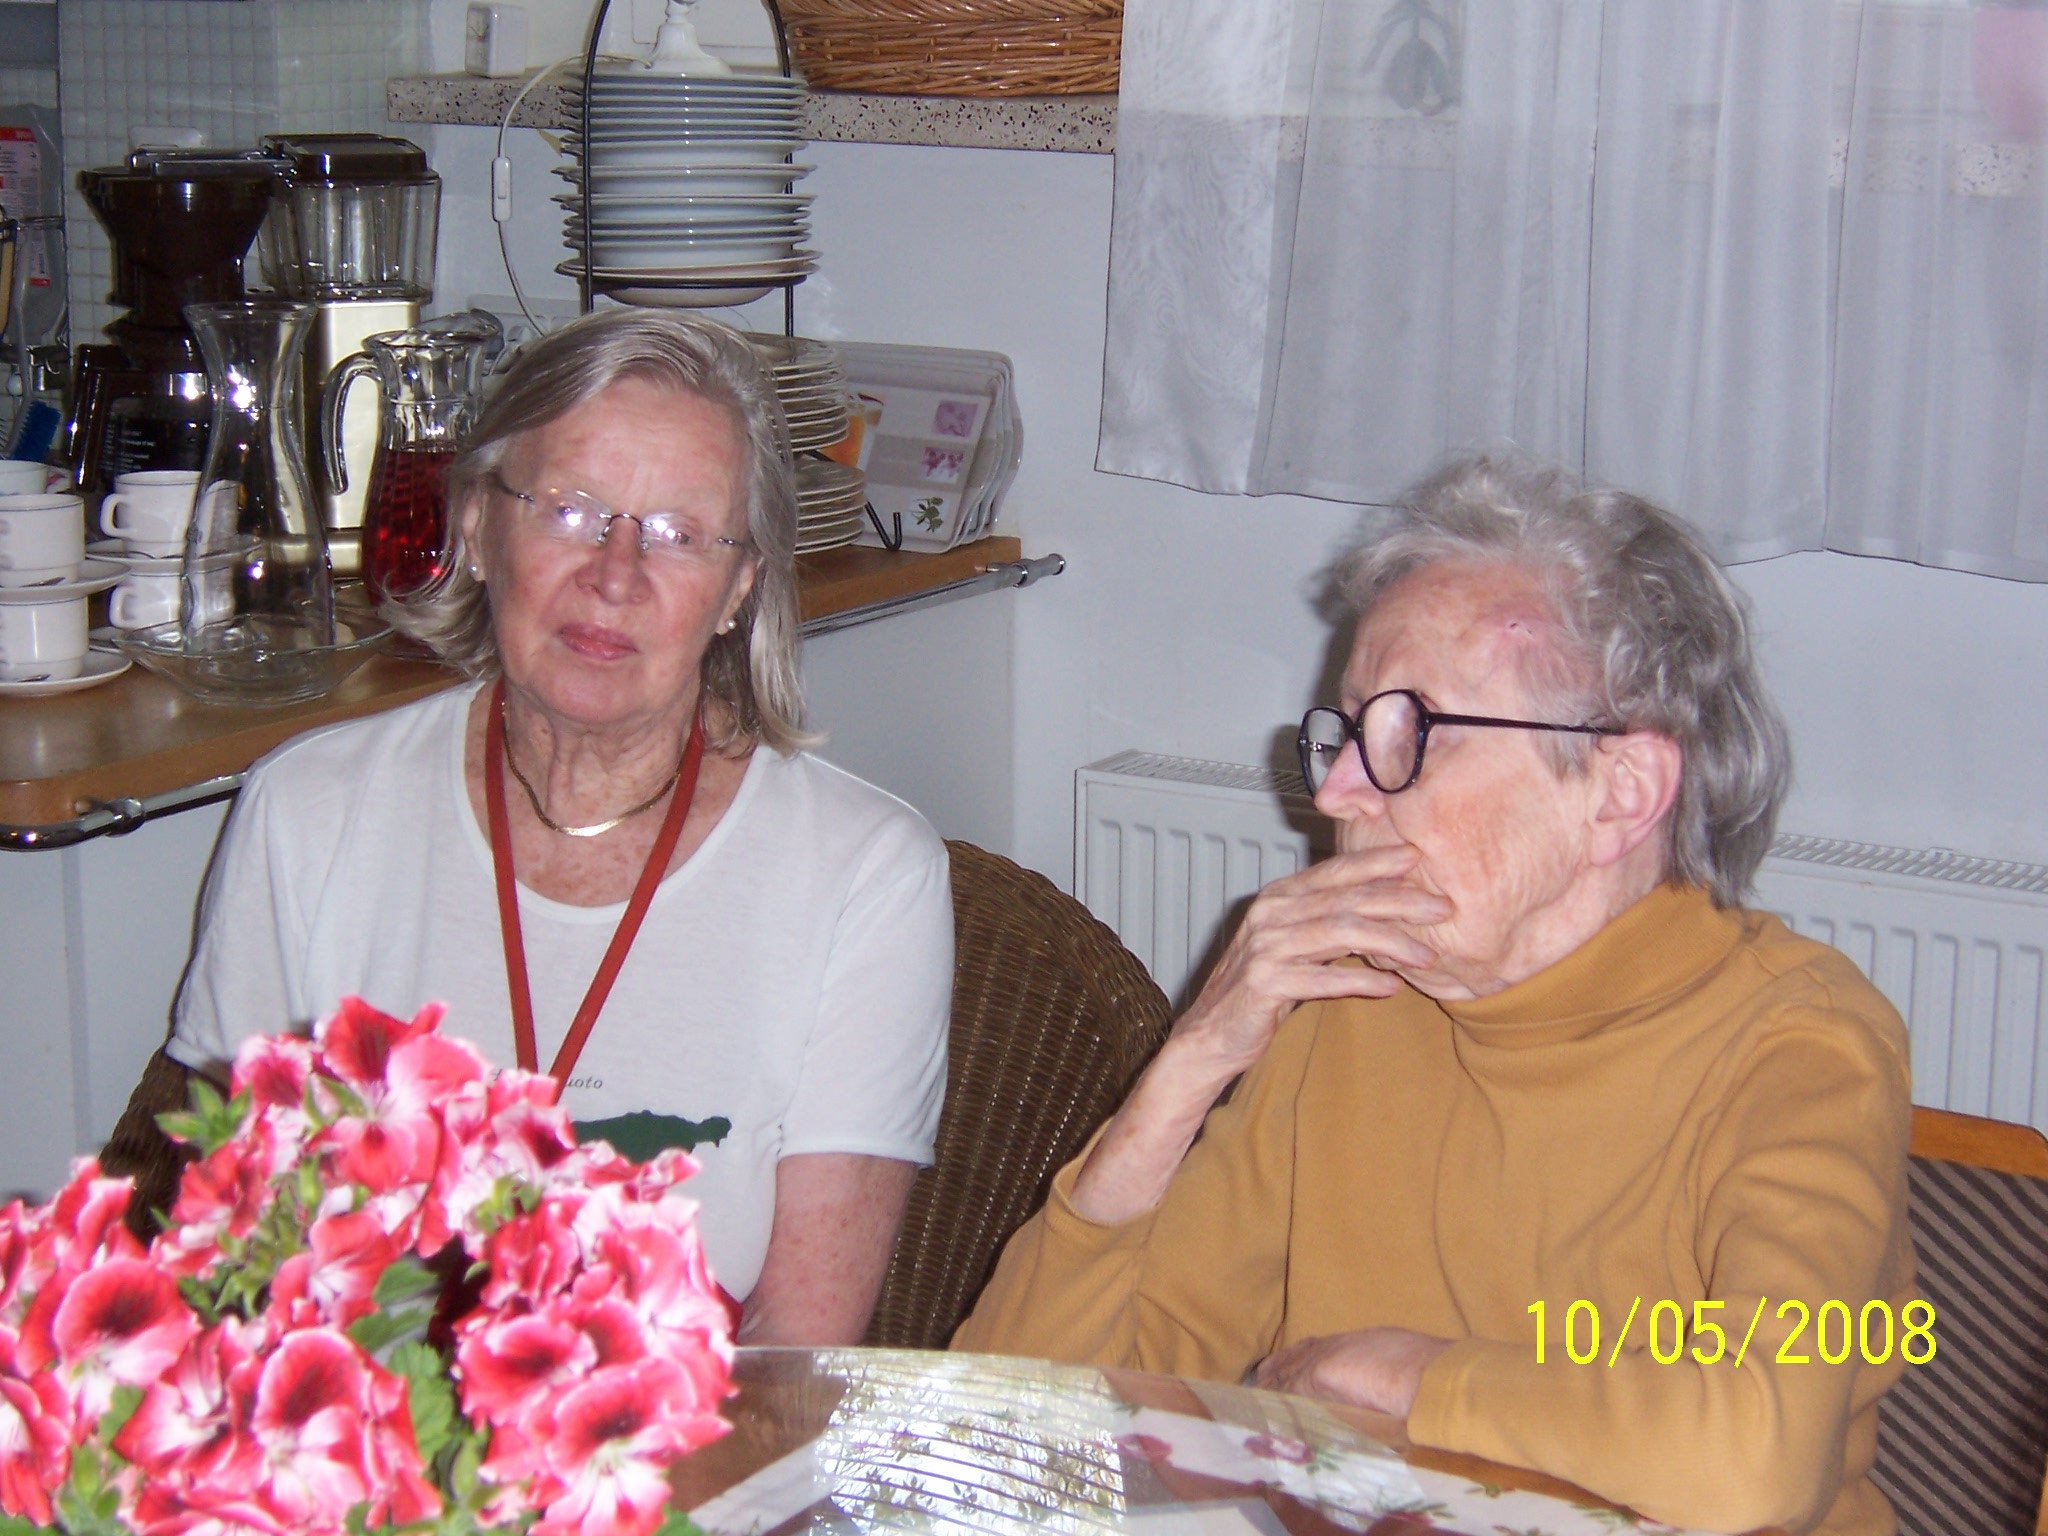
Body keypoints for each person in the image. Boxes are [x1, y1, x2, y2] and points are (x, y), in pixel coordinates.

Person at [955, 454, 1913, 1536]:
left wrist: (1416, 1379)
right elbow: (1011, 1425)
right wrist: (1184, 1071)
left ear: (1620, 792)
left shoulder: (1799, 1046)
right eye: (1347, 732)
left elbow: (1754, 1455)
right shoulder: (1349, 1002)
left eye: (1409, 733)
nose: (1332, 792)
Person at [170, 309, 953, 1346]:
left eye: (678, 534)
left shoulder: (865, 875)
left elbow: (798, 1347)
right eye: (571, 511)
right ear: (476, 528)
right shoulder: (306, 811)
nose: (615, 575)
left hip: (686, 1436)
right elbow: (236, 1263)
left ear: (739, 588)